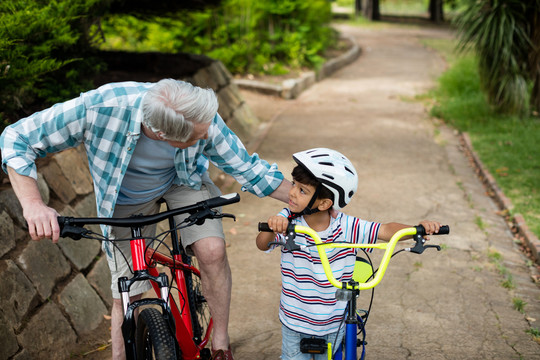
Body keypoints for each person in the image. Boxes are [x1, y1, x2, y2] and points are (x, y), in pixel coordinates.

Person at [0, 79, 291, 360]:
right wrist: (33, 205)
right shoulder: (99, 108)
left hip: (184, 181)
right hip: (125, 198)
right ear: (162, 135)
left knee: (212, 251)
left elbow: (250, 170)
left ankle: (220, 341)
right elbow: (17, 137)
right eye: (196, 137)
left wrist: (308, 200)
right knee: (127, 292)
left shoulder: (198, 115)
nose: (206, 137)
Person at [256, 148, 442, 360]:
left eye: (302, 191)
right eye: (294, 185)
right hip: (294, 322)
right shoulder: (288, 222)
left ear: (325, 203)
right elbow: (262, 244)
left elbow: (384, 230)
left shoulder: (347, 227)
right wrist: (272, 227)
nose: (291, 192)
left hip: (333, 323)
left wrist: (416, 228)